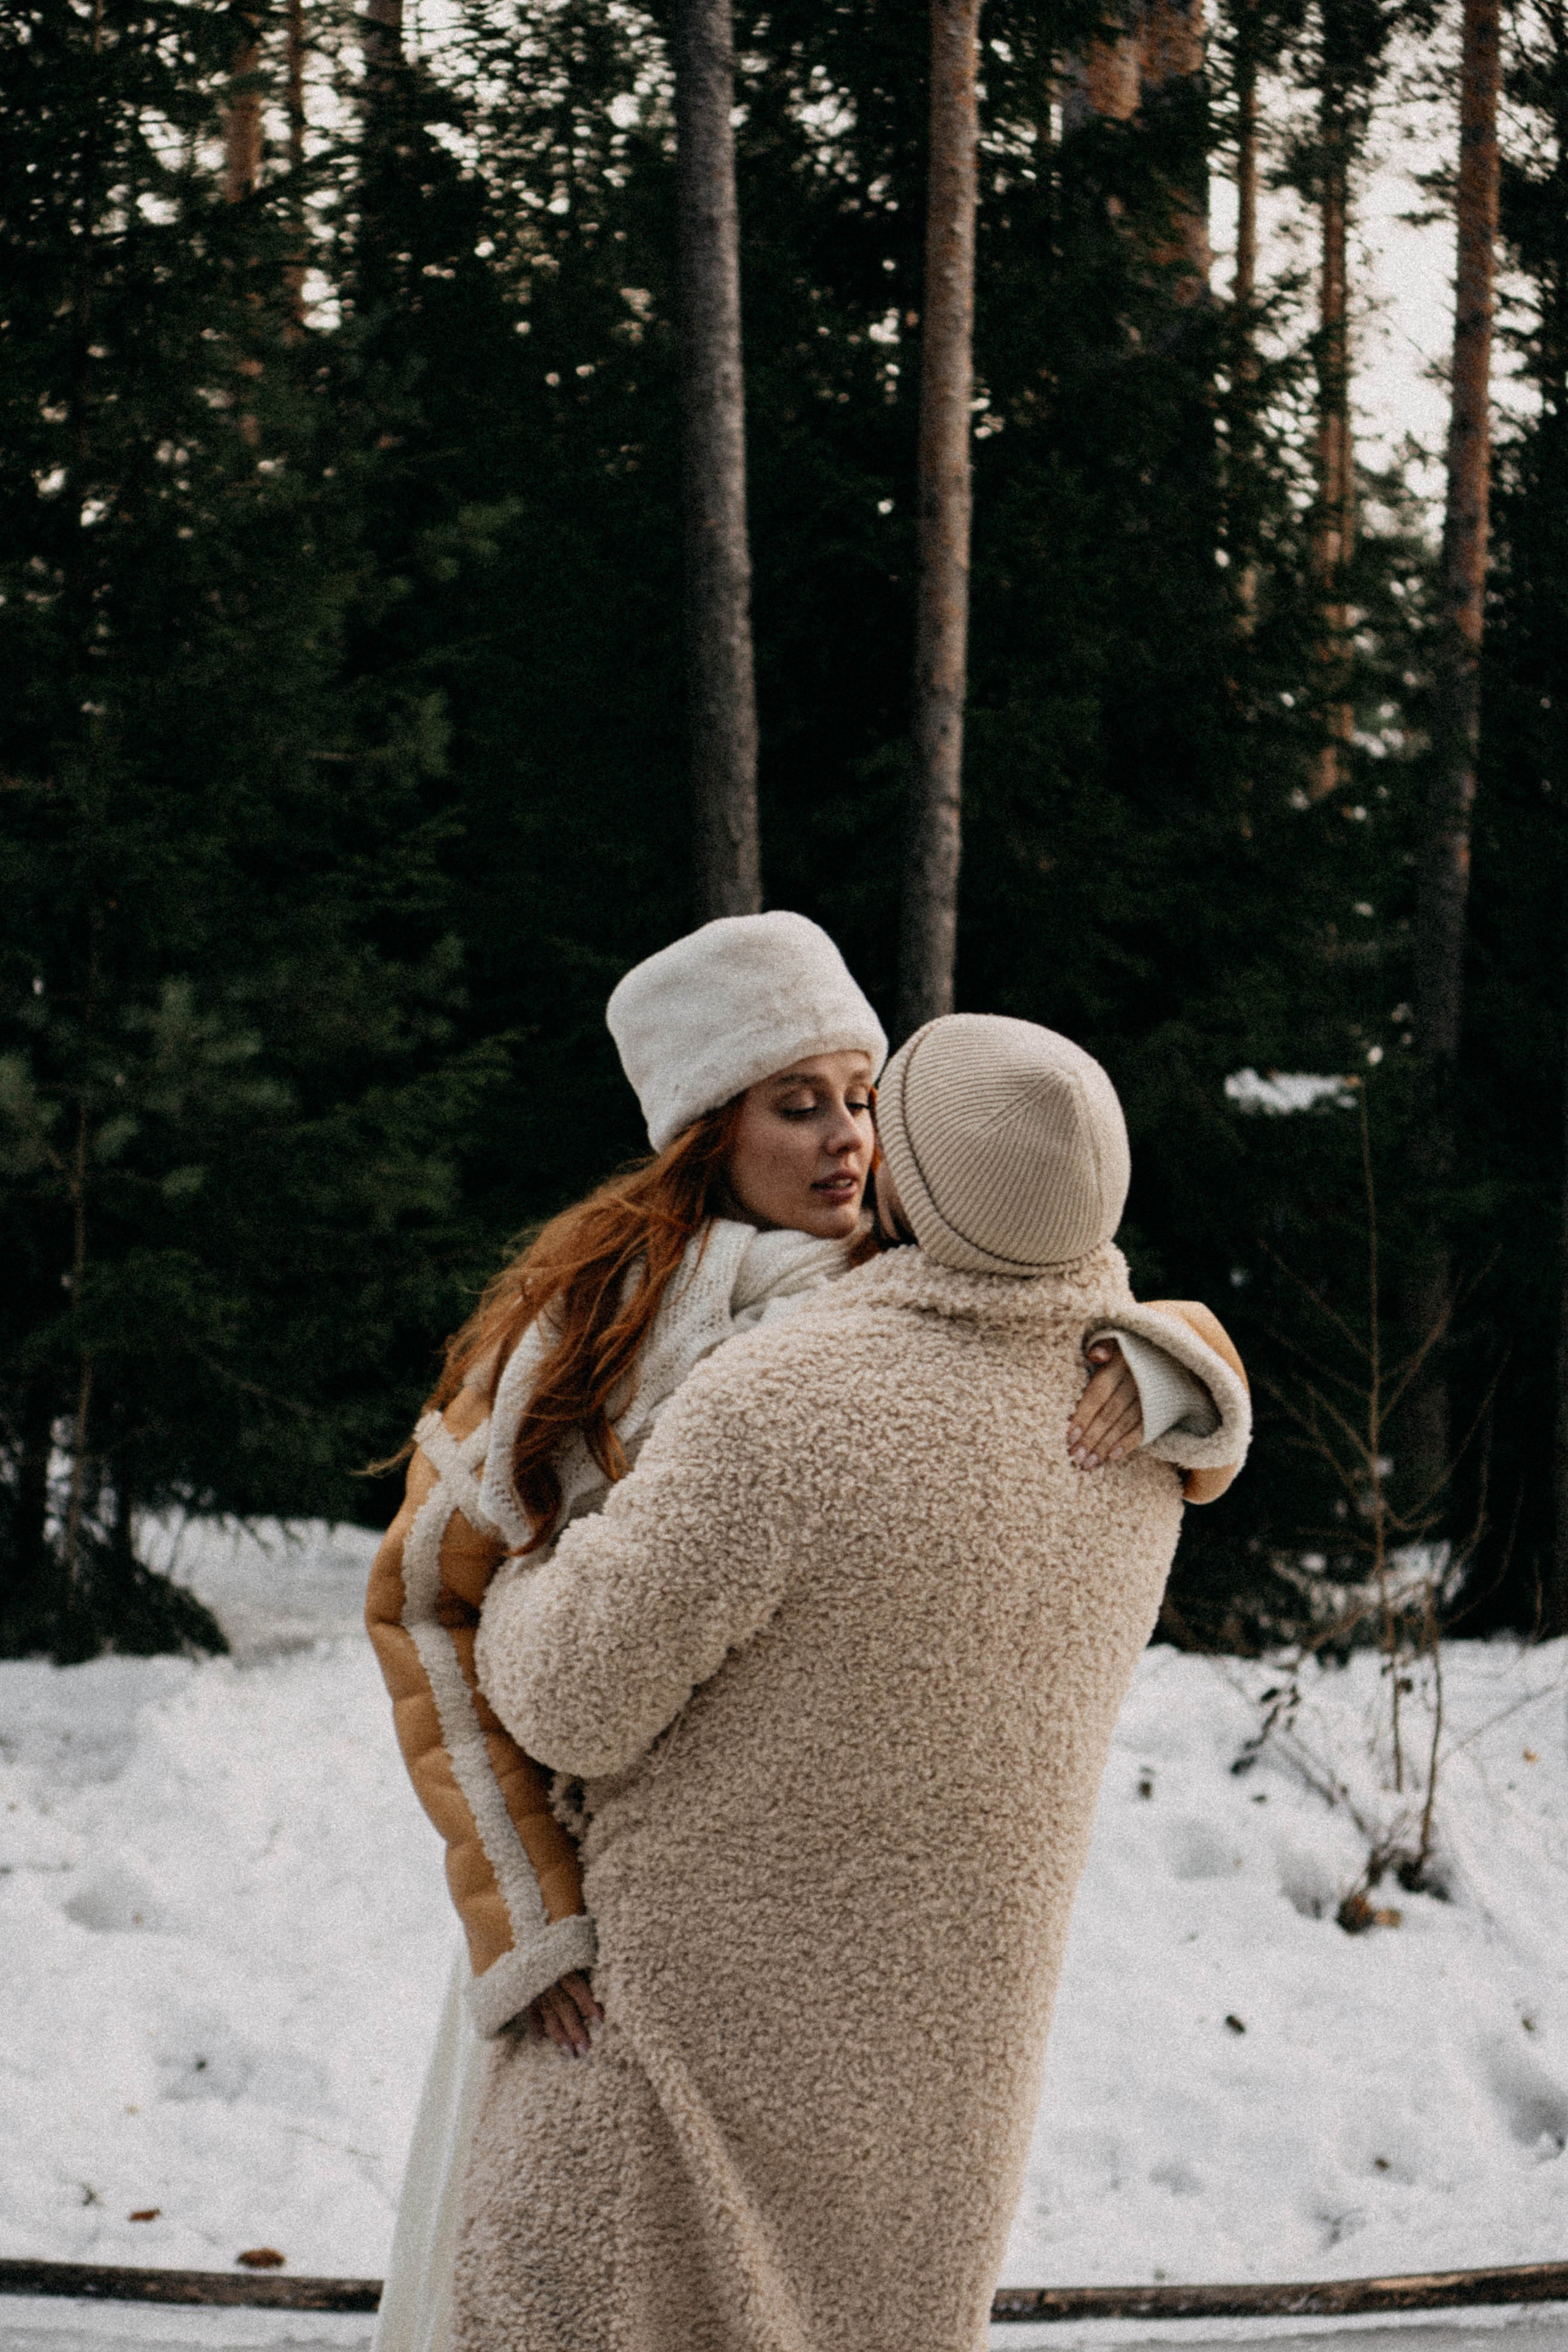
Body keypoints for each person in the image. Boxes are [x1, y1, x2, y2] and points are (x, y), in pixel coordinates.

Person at [366, 925, 1247, 2352]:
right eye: (796, 1106)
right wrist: (527, 1916)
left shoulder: (910, 1281)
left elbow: (1095, 1288)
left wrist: (1170, 1365)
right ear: (703, 1131)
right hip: (593, 1941)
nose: (844, 1143)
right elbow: (426, 1603)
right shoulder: (587, 1323)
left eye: (860, 1097)